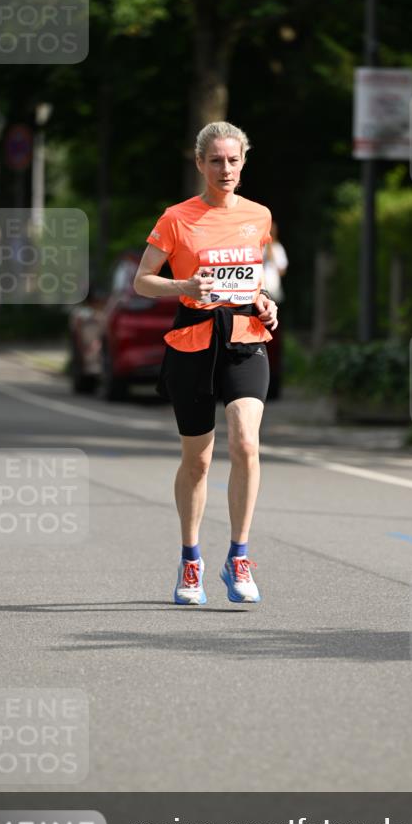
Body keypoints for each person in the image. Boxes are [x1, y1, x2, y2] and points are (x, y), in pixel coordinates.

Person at [133, 121, 279, 606]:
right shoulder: (177, 218)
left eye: (233, 160)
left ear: (244, 161)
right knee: (197, 461)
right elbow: (142, 281)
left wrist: (264, 302)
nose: (226, 169)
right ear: (199, 164)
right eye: (215, 160)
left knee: (246, 443)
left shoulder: (259, 216)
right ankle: (190, 559)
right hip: (194, 340)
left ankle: (238, 555)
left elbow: (251, 281)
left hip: (245, 338)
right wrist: (183, 287)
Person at [262, 222, 288, 304]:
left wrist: (272, 259)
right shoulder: (261, 247)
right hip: (261, 287)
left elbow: (282, 271)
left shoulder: (279, 248)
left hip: (274, 287)